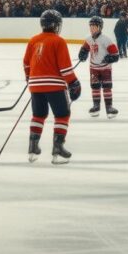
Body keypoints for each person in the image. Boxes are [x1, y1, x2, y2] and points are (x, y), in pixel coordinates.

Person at [23, 10, 82, 165]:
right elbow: (65, 68)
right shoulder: (58, 41)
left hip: (35, 85)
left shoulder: (33, 40)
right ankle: (58, 148)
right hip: (54, 85)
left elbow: (26, 63)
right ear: (56, 24)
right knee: (62, 115)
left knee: (38, 115)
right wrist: (73, 82)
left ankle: (33, 146)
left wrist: (29, 78)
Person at [78, 16, 120, 119]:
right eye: (91, 26)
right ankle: (96, 106)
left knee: (107, 87)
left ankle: (109, 107)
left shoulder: (106, 40)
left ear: (100, 27)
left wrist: (110, 58)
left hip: (105, 68)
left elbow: (115, 54)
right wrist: (82, 54)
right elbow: (84, 49)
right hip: (93, 68)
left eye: (94, 26)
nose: (92, 28)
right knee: (95, 87)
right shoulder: (88, 39)